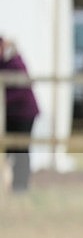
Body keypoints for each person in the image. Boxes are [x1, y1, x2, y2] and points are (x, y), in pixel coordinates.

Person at [1, 36, 39, 193]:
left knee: (21, 149)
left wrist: (3, 100)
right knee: (11, 149)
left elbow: (21, 89)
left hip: (24, 113)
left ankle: (21, 185)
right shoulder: (4, 63)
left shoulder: (15, 62)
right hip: (11, 113)